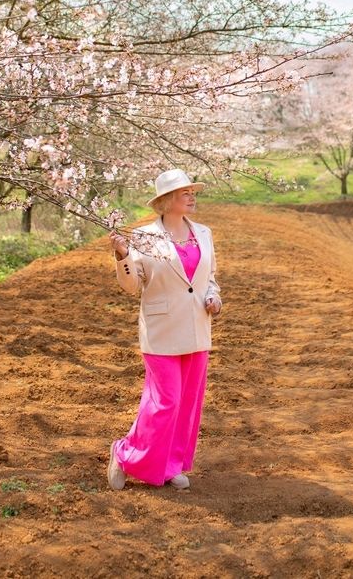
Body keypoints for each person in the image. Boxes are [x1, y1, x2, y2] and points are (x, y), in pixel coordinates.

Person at [107, 168, 222, 491]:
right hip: (160, 331)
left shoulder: (204, 233)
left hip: (197, 328)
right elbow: (132, 286)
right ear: (167, 201)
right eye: (185, 193)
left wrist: (213, 297)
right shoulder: (144, 237)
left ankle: (171, 465)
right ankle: (125, 452)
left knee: (188, 403)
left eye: (192, 192)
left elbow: (209, 278)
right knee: (165, 401)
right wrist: (122, 256)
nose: (191, 196)